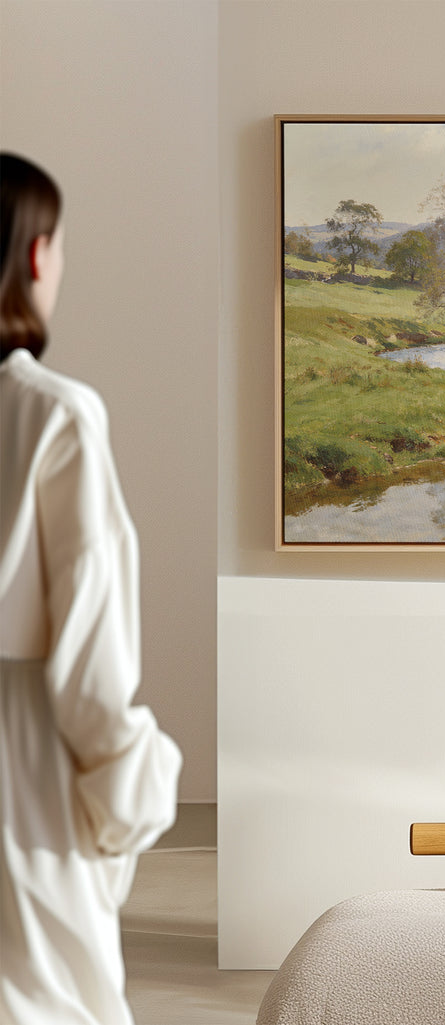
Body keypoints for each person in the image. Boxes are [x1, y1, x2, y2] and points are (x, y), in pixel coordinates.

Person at [0, 153, 182, 1025]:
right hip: (19, 765)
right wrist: (131, 790)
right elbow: (88, 667)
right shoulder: (53, 414)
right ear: (36, 255)